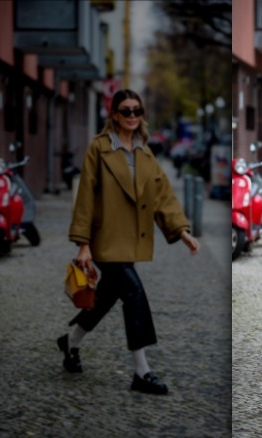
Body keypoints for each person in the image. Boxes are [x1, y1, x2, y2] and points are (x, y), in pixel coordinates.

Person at [60, 89, 200, 395]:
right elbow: (85, 196)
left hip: (129, 240)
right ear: (113, 115)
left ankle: (70, 342)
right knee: (134, 293)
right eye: (126, 111)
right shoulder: (99, 148)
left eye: (137, 110)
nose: (133, 116)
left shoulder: (144, 152)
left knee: (108, 296)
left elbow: (162, 195)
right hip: (104, 240)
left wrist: (182, 231)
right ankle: (142, 371)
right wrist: (82, 243)